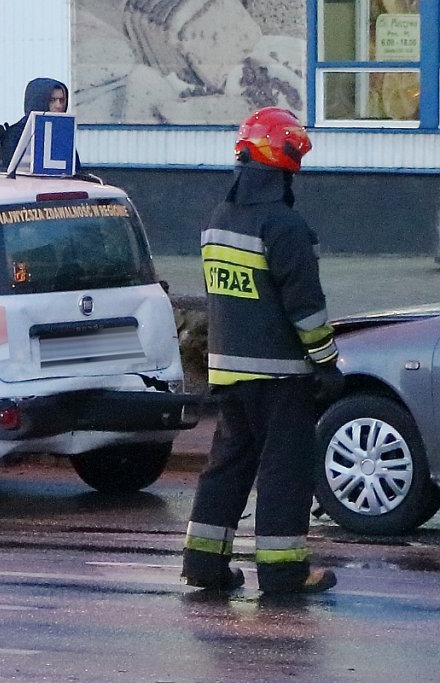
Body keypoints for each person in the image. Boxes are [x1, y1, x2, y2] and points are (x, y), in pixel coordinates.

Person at [181, 107, 343, 595]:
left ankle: (204, 564)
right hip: (280, 375)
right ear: (285, 160)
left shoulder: (219, 219)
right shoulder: (284, 227)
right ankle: (282, 571)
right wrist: (328, 362)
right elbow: (305, 309)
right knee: (284, 470)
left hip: (228, 372)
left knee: (228, 467)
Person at [0, 77, 69, 167]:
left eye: (62, 100)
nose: (59, 106)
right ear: (38, 101)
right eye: (52, 100)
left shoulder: (64, 133)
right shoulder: (16, 134)